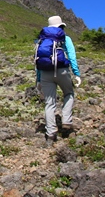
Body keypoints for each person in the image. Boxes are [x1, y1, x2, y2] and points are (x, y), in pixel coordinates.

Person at [36, 15, 81, 143]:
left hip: (45, 72)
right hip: (62, 70)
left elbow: (38, 59)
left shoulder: (41, 40)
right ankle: (66, 120)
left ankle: (50, 134)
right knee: (69, 93)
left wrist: (38, 79)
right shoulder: (65, 38)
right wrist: (76, 73)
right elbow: (72, 56)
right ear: (61, 26)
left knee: (49, 103)